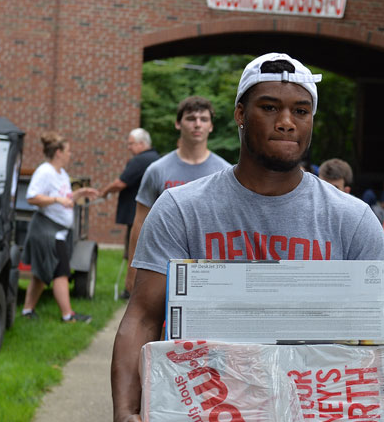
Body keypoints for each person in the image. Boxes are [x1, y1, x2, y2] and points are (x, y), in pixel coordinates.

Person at [111, 52, 384, 422]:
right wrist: (124, 414)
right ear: (240, 113)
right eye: (269, 107)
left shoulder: (350, 219)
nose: (286, 121)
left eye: (301, 110)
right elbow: (142, 317)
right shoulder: (182, 210)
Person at [124, 96, 230, 297]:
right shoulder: (157, 170)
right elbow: (139, 224)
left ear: (211, 127)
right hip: (163, 266)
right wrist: (132, 271)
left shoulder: (224, 172)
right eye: (191, 118)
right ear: (178, 123)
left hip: (209, 270)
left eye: (204, 119)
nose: (197, 124)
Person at [21, 132, 99, 323]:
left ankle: (27, 311)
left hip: (59, 231)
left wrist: (79, 192)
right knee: (61, 271)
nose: (70, 154)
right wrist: (57, 199)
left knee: (40, 274)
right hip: (47, 231)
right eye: (68, 151)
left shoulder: (61, 173)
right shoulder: (45, 171)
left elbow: (65, 196)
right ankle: (68, 315)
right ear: (58, 152)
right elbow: (32, 197)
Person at [97, 128, 160, 298]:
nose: (129, 148)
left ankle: (131, 291)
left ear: (141, 144)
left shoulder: (141, 160)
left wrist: (104, 192)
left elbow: (120, 182)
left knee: (134, 253)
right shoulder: (155, 159)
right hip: (150, 216)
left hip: (138, 216)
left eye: (131, 144)